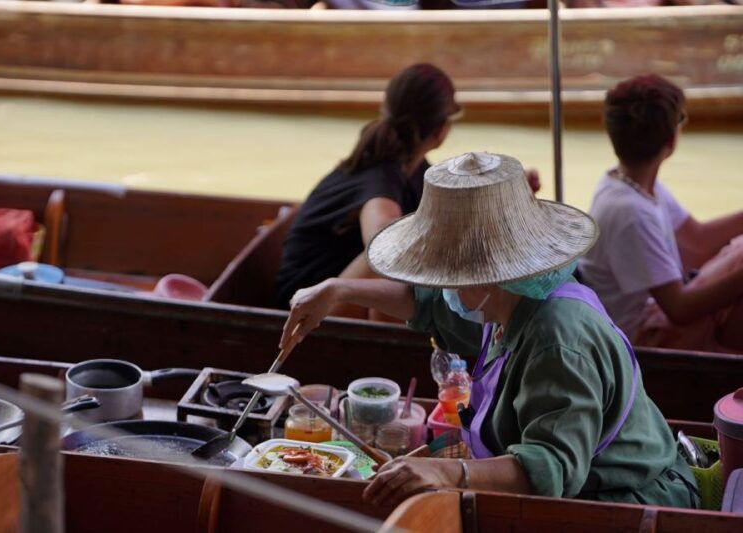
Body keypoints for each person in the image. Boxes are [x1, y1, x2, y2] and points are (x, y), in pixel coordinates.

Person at [280, 152, 696, 508]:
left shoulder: (556, 336)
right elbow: (426, 306)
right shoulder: (506, 303)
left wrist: (448, 472)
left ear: (484, 275)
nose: (440, 287)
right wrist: (337, 291)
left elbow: (551, 467)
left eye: (444, 274)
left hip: (625, 497)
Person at [275, 63, 541, 314]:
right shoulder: (381, 178)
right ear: (441, 130)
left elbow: (450, 206)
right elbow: (382, 239)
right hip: (305, 305)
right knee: (393, 251)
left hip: (318, 292)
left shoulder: (412, 166)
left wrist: (505, 196)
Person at [579, 74, 743, 353]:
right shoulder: (630, 212)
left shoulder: (626, 183)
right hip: (640, 340)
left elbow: (697, 240)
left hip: (658, 314)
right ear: (670, 141)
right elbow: (680, 309)